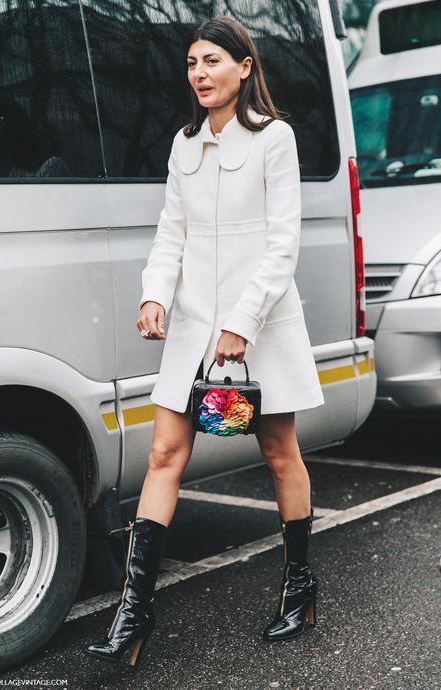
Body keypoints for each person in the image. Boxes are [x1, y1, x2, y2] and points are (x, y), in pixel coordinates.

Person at [84, 15, 325, 669]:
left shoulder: (275, 139)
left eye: (213, 60)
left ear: (245, 67)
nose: (199, 73)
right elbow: (171, 231)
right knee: (164, 453)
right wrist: (154, 293)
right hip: (192, 330)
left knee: (279, 454)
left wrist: (241, 325)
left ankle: (299, 587)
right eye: (192, 62)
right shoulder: (183, 145)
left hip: (261, 328)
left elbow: (283, 245)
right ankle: (134, 614)